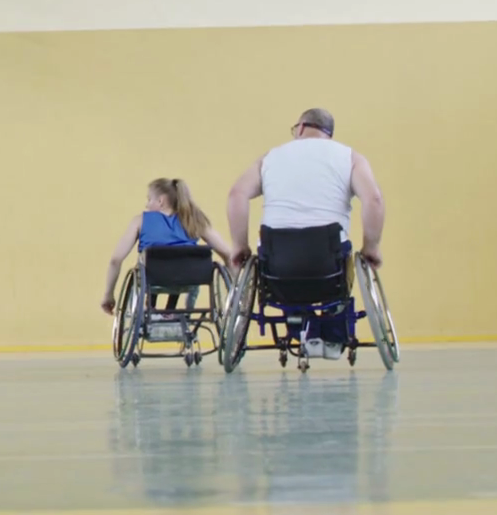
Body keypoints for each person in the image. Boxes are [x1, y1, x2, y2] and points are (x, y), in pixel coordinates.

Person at [225, 108, 385, 361]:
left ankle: (300, 329)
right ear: (328, 134)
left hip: (277, 266)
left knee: (283, 267)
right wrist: (371, 247)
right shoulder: (350, 157)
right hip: (327, 265)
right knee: (342, 263)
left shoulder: (271, 157)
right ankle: (333, 335)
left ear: (300, 128)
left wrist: (239, 245)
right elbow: (373, 200)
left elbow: (237, 195)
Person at [100, 177, 235, 315]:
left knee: (154, 261)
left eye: (149, 200)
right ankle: (170, 309)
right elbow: (228, 254)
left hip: (154, 275)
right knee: (179, 259)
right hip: (188, 277)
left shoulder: (140, 221)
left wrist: (108, 294)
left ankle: (150, 306)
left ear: (161, 201)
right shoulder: (194, 220)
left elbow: (116, 260)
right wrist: (234, 289)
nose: (147, 205)